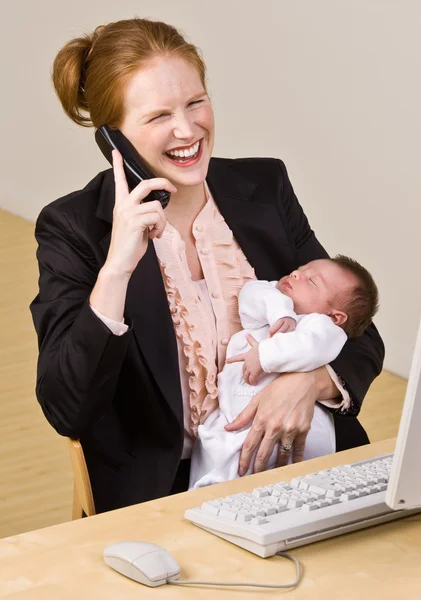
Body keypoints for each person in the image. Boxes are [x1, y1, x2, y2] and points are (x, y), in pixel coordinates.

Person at [30, 18, 384, 514]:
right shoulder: (74, 228)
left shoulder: (264, 186)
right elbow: (69, 407)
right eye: (158, 117)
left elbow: (359, 331)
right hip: (173, 492)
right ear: (114, 137)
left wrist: (309, 382)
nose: (187, 130)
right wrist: (117, 269)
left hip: (305, 469)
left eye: (195, 102)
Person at [189, 255, 379, 489]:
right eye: (300, 269)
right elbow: (251, 294)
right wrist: (281, 312)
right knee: (213, 448)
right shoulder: (275, 302)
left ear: (334, 316)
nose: (297, 274)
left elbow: (310, 348)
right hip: (232, 413)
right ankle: (202, 491)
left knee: (271, 464)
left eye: (312, 282)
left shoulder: (321, 327)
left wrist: (265, 355)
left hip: (290, 420)